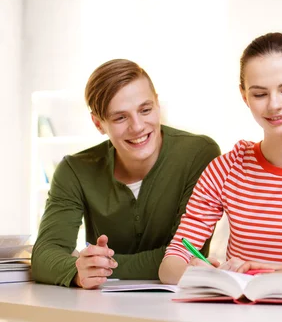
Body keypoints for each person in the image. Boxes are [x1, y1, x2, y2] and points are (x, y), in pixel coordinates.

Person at [158, 32, 282, 284]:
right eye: (259, 94)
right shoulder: (226, 169)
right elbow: (172, 262)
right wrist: (201, 273)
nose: (274, 104)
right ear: (244, 96)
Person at [31, 59, 220, 289]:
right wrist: (78, 271)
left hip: (181, 305)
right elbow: (44, 256)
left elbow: (188, 254)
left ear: (158, 105)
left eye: (146, 110)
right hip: (101, 308)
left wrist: (98, 267)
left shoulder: (198, 154)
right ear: (98, 123)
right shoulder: (75, 170)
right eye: (120, 117)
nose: (138, 126)